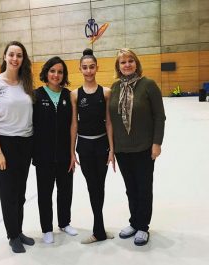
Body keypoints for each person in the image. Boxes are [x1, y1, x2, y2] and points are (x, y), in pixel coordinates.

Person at [109, 48, 166, 246]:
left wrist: (156, 143)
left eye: (130, 61)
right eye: (122, 62)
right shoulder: (114, 88)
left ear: (136, 63)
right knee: (130, 189)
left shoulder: (148, 85)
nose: (127, 65)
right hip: (122, 150)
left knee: (143, 188)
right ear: (118, 66)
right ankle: (134, 222)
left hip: (143, 148)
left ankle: (143, 226)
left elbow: (159, 116)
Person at [0, 41, 35, 253]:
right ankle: (12, 235)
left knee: (20, 193)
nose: (15, 59)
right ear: (4, 56)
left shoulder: (26, 82)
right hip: (4, 143)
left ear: (23, 59)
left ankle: (19, 230)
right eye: (11, 54)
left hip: (25, 143)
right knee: (8, 193)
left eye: (19, 55)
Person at [69, 48, 115, 244]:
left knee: (100, 186)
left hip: (102, 145)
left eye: (92, 67)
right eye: (85, 68)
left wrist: (112, 150)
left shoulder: (106, 92)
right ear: (80, 69)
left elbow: (109, 122)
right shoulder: (75, 95)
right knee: (92, 186)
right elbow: (74, 124)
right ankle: (99, 230)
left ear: (97, 68)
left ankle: (99, 230)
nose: (88, 71)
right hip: (85, 147)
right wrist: (72, 151)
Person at [32, 56, 78, 244]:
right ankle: (47, 228)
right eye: (52, 71)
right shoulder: (36, 95)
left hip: (64, 154)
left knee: (65, 190)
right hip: (43, 156)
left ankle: (64, 222)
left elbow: (73, 125)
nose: (56, 75)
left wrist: (72, 152)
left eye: (60, 72)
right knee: (45, 192)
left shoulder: (69, 95)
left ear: (64, 75)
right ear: (46, 73)